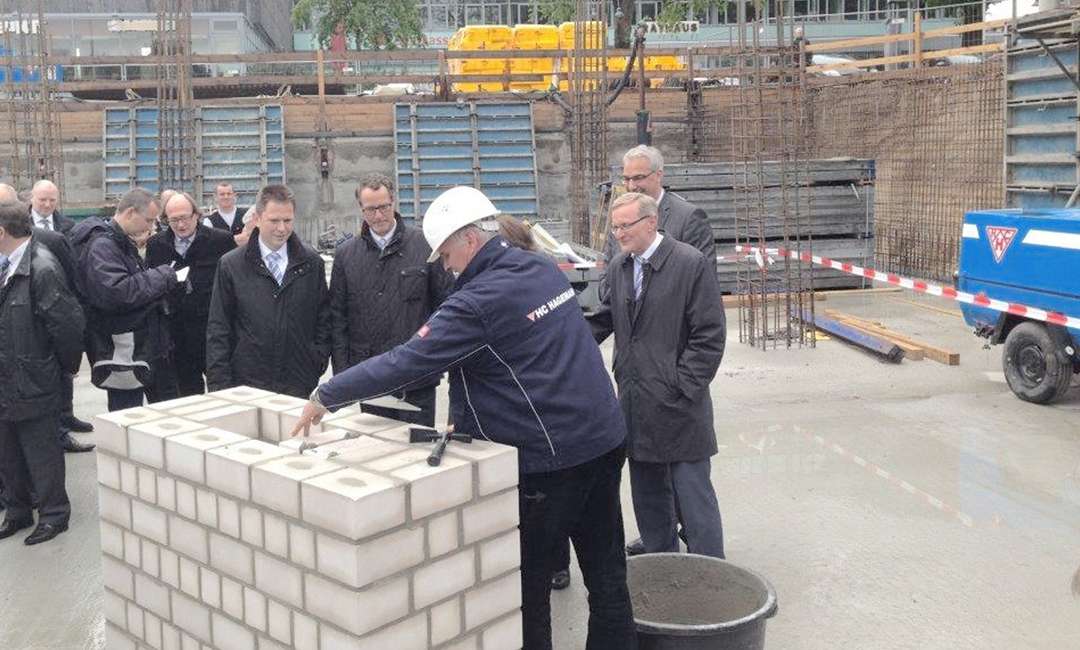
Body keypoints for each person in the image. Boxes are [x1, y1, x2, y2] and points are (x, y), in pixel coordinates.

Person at [288, 186, 638, 650]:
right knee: (607, 576)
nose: (447, 267)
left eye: (448, 255)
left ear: (469, 240)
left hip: (551, 463)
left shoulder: (477, 301)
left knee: (525, 591)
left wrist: (328, 393)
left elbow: (407, 361)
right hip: (604, 439)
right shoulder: (537, 267)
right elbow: (517, 361)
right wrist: (466, 418)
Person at [590, 192, 727, 559]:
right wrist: (556, 339)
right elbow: (603, 319)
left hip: (680, 405)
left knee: (693, 499)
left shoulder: (689, 263)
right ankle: (662, 565)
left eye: (626, 226)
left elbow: (710, 334)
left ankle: (710, 574)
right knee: (649, 499)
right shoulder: (620, 266)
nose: (619, 234)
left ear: (651, 222)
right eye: (615, 227)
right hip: (636, 402)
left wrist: (681, 385)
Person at [329, 173, 453, 426]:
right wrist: (344, 376)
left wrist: (438, 357)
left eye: (384, 207)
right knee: (376, 445)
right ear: (361, 209)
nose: (378, 216)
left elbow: (446, 306)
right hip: (370, 375)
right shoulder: (346, 255)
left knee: (418, 443)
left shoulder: (425, 245)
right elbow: (338, 318)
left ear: (394, 202)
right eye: (370, 209)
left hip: (417, 372)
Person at [0, 201, 85, 545]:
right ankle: (17, 511)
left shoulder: (42, 268)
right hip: (5, 378)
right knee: (8, 451)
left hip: (34, 378)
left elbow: (67, 326)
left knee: (42, 452)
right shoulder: (6, 265)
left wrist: (60, 370)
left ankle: (54, 514)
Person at [205, 184, 331, 399]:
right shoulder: (231, 265)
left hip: (298, 382)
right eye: (274, 221)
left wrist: (315, 360)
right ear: (257, 218)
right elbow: (219, 328)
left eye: (287, 220)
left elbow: (323, 319)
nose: (282, 228)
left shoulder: (311, 263)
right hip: (247, 384)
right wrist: (220, 386)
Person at [69, 188, 179, 411]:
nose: (151, 227)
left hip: (136, 345)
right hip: (124, 349)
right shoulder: (103, 246)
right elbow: (117, 291)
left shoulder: (116, 241)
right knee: (127, 413)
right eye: (148, 220)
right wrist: (162, 276)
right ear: (130, 213)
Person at [0, 185, 92, 449]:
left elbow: (67, 308)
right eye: (43, 199)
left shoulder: (49, 246)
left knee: (40, 449)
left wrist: (63, 366)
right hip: (10, 375)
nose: (48, 204)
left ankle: (63, 427)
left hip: (36, 368)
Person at [147, 192, 235, 398]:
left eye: (185, 218)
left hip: (212, 331)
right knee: (188, 394)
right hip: (178, 335)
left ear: (196, 215)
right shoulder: (156, 245)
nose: (181, 225)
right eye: (173, 220)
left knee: (223, 390)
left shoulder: (220, 240)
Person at [203, 182, 251, 247]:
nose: (226, 197)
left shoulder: (247, 215)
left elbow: (251, 238)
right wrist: (236, 239)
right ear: (215, 197)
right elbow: (209, 244)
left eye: (229, 194)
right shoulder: (208, 221)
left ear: (234, 195)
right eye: (222, 194)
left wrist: (221, 241)